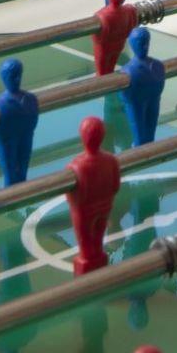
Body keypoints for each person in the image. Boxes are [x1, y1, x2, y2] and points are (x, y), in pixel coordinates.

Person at [68, 114, 122, 275]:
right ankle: (98, 259)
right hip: (105, 207)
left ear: (82, 138)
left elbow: (72, 197)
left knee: (85, 248)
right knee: (98, 238)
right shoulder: (111, 161)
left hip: (84, 212)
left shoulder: (76, 166)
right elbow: (115, 186)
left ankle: (86, 267)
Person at [0, 57, 41, 185]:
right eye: (13, 77)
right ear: (4, 78)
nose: (17, 80)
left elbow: (33, 118)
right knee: (10, 173)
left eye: (19, 76)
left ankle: (22, 191)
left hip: (25, 135)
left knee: (23, 170)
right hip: (7, 140)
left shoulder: (30, 98)